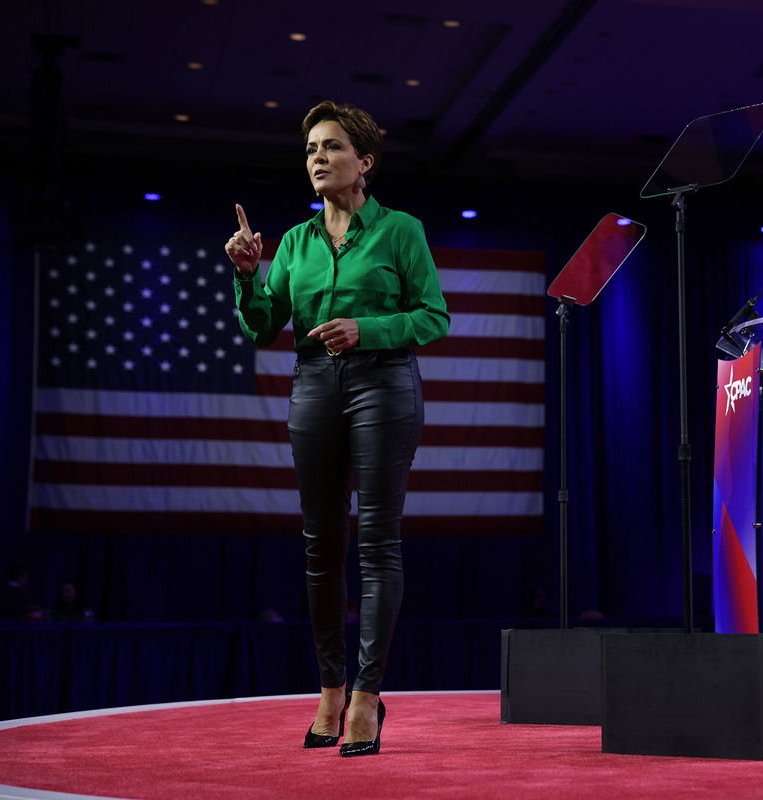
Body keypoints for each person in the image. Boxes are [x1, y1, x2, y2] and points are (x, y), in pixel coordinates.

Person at [226, 100, 449, 757]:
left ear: (365, 163)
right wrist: (247, 279)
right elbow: (265, 326)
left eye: (330, 147)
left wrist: (368, 329)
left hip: (384, 383)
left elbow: (433, 317)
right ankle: (329, 687)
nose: (317, 158)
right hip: (314, 386)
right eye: (310, 151)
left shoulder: (400, 231)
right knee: (321, 546)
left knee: (377, 544)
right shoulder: (294, 243)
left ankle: (366, 696)